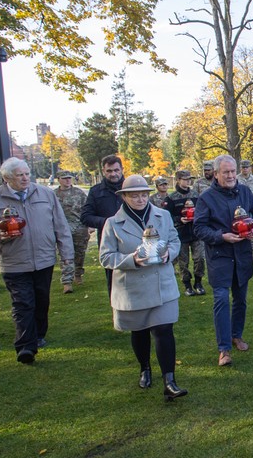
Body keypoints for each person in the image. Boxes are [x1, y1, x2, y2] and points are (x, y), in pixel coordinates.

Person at [0, 158, 73, 364]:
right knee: (22, 303)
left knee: (41, 300)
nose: (25, 178)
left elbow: (61, 226)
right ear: (7, 177)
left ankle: (38, 335)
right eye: (20, 175)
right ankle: (26, 346)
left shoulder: (45, 194)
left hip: (44, 259)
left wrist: (67, 255)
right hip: (14, 262)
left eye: (27, 173)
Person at [99, 175, 187, 401]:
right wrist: (131, 260)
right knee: (139, 331)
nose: (140, 199)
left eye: (143, 194)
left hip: (161, 284)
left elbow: (175, 241)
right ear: (124, 197)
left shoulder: (163, 216)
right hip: (133, 287)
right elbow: (105, 257)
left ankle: (170, 380)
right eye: (134, 195)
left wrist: (169, 253)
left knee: (163, 329)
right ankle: (145, 368)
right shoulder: (112, 223)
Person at [193, 155, 253, 366]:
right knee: (221, 300)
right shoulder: (206, 198)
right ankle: (224, 349)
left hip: (241, 255)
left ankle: (236, 335)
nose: (231, 175)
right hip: (220, 256)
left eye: (233, 171)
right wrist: (221, 236)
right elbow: (199, 227)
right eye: (226, 172)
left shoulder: (245, 192)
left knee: (240, 300)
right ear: (216, 174)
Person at [81, 155, 124, 295]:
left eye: (116, 170)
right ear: (103, 172)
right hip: (109, 240)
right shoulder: (96, 191)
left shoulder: (131, 189)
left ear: (122, 169)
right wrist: (107, 222)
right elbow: (86, 216)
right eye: (109, 171)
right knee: (113, 280)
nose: (113, 174)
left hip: (132, 238)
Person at [163, 170, 206, 296]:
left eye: (189, 179)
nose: (188, 181)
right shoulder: (171, 198)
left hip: (196, 232)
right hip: (180, 234)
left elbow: (202, 211)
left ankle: (198, 282)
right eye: (185, 179)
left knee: (199, 258)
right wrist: (179, 219)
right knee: (183, 261)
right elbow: (166, 216)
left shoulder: (195, 195)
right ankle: (187, 285)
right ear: (178, 180)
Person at [54, 170, 90, 294]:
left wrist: (89, 225)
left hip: (79, 228)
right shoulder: (54, 195)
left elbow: (87, 209)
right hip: (62, 228)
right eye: (64, 178)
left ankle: (78, 274)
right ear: (58, 179)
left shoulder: (79, 193)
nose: (67, 180)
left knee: (79, 253)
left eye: (69, 178)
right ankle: (67, 281)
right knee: (65, 254)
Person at [237, 159, 253, 258]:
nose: (245, 169)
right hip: (239, 210)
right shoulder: (236, 179)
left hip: (251, 209)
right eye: (243, 167)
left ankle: (251, 250)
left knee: (252, 228)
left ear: (250, 168)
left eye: (247, 167)